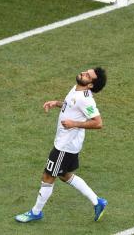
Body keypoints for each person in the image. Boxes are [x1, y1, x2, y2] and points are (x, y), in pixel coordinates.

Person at [15, 67, 108, 223]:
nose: (83, 73)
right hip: (68, 144)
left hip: (65, 146)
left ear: (90, 85)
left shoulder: (86, 99)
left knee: (48, 176)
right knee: (65, 175)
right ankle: (98, 202)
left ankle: (35, 212)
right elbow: (70, 104)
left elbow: (98, 123)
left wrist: (74, 123)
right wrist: (56, 103)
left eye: (87, 75)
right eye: (86, 71)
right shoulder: (76, 89)